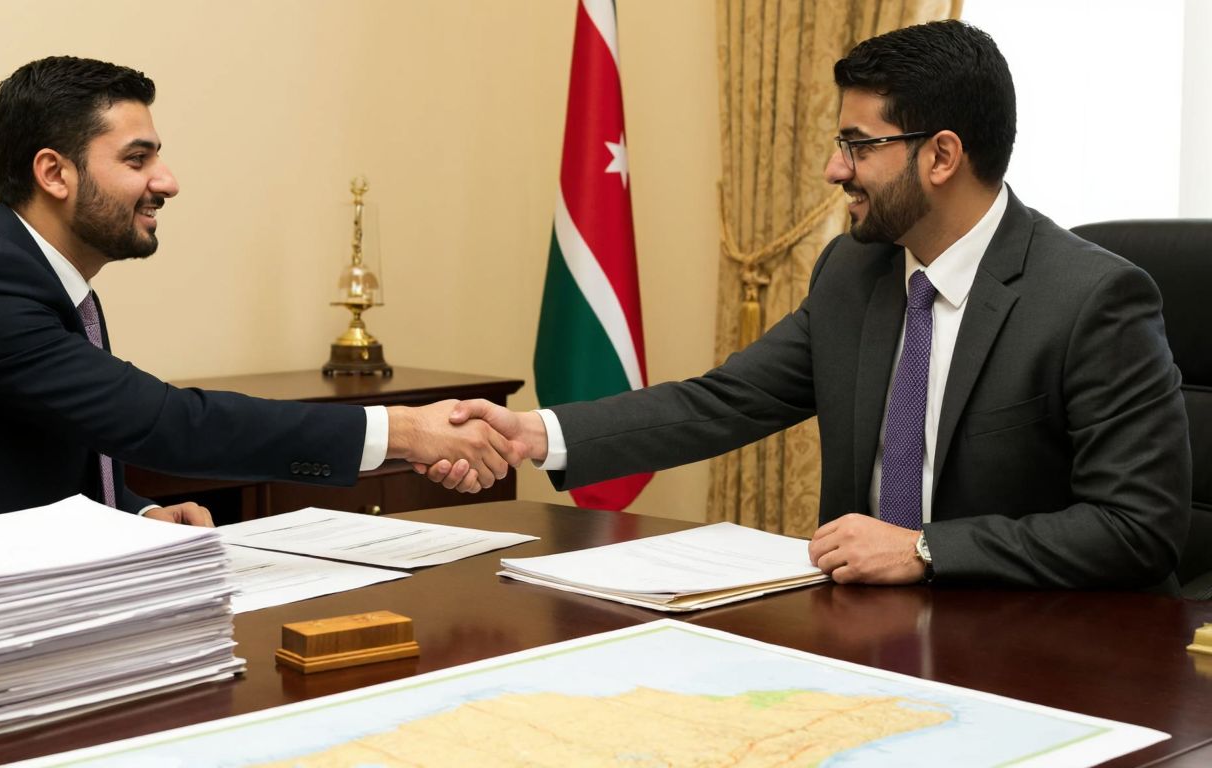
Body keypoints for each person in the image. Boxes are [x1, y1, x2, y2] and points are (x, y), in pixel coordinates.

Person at [427, 20, 1191, 591]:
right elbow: (723, 401)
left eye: (859, 146)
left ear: (941, 156)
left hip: (1038, 648)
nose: (834, 170)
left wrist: (925, 548)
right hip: (865, 631)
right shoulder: (854, 272)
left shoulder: (1091, 301)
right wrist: (535, 433)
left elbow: (1137, 530)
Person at [0, 56, 520, 540]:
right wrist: (401, 431)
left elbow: (38, 457)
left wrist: (134, 513)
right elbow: (161, 422)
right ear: (54, 172)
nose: (167, 180)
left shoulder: (43, 278)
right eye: (137, 160)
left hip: (16, 593)